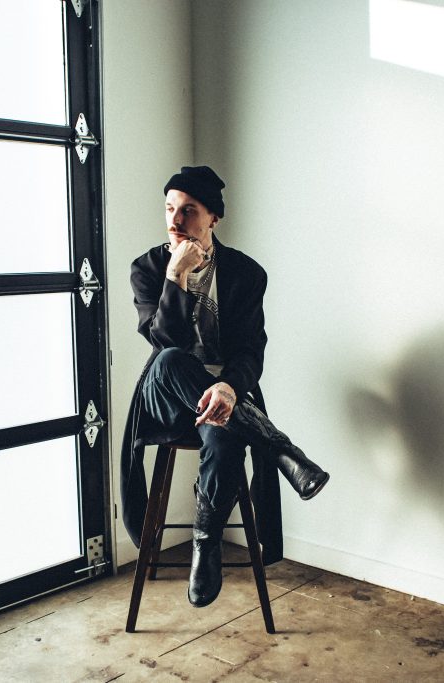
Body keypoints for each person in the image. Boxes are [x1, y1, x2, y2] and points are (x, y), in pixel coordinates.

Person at [120, 165, 330, 608]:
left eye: (189, 211)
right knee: (175, 359)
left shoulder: (246, 274)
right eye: (169, 209)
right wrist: (175, 276)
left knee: (224, 428)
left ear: (213, 217)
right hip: (164, 395)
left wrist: (230, 388)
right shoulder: (148, 268)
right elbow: (162, 342)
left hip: (223, 396)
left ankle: (205, 545)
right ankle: (282, 450)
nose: (175, 221)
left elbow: (251, 349)